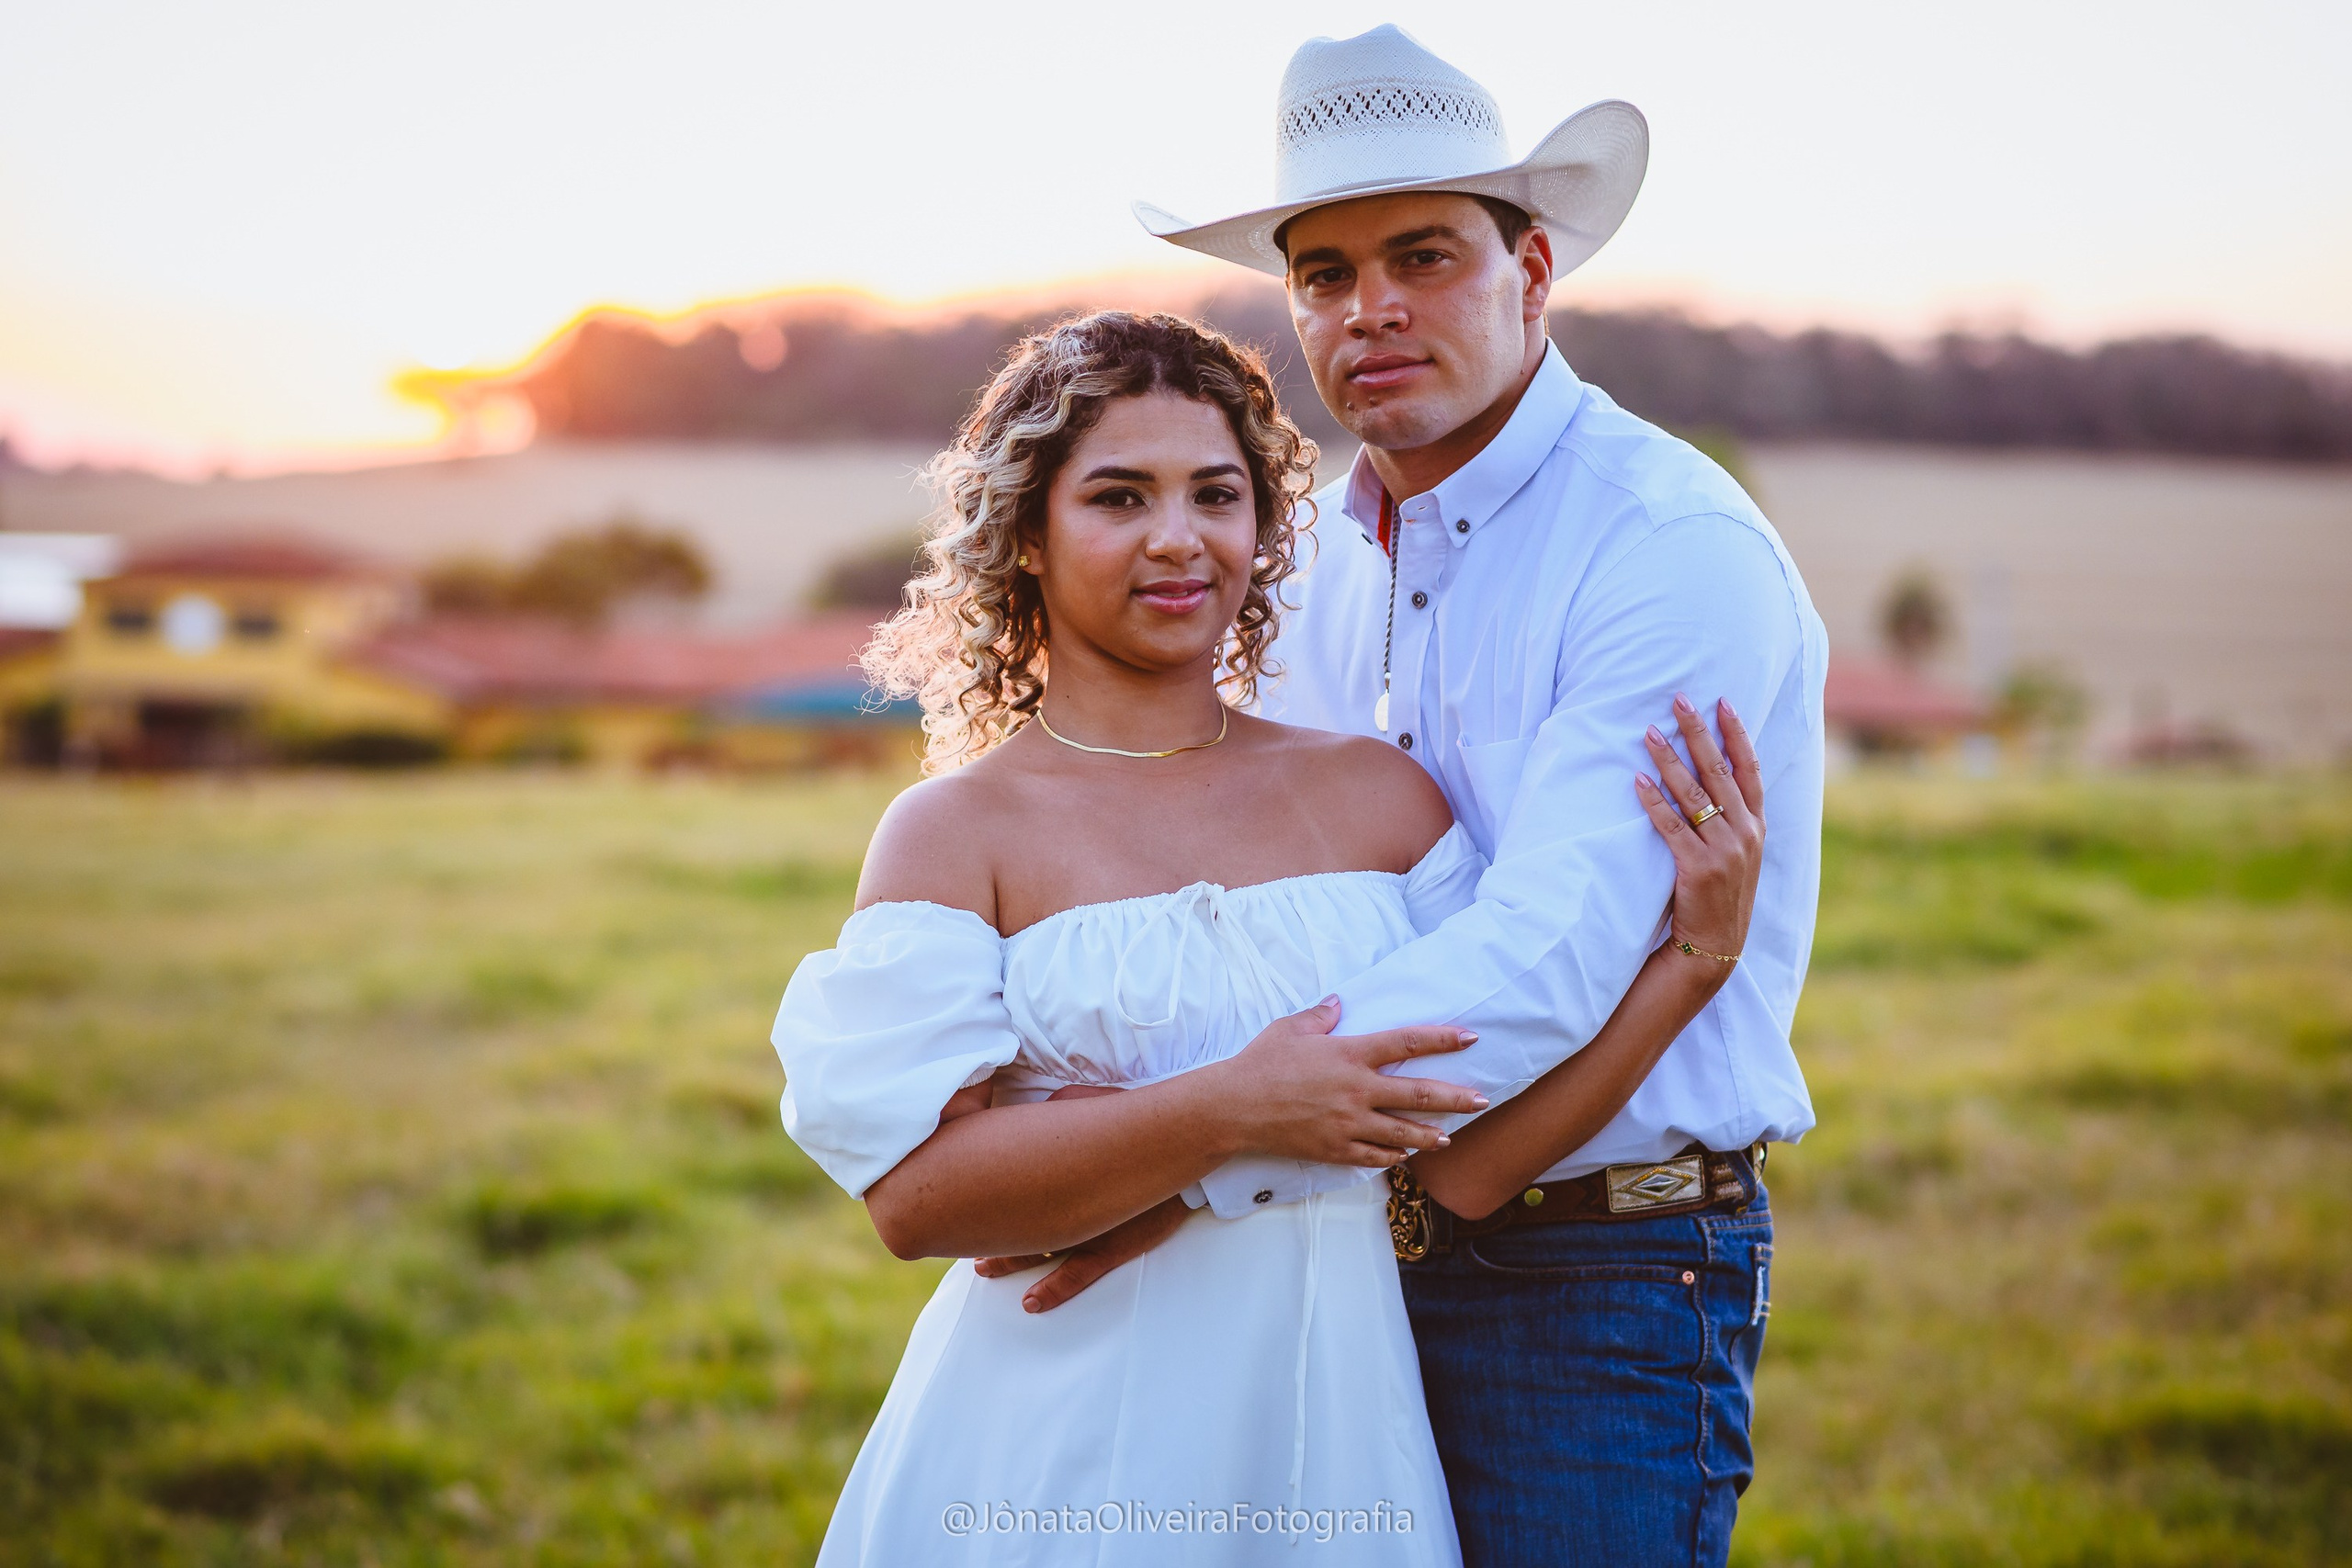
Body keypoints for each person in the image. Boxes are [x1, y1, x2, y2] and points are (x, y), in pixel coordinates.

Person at [771, 310, 1770, 1565]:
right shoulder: (953, 832)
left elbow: (1464, 1172)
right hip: (1056, 1447)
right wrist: (1233, 1108)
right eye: (1119, 498)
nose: (1179, 539)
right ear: (1026, 536)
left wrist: (1691, 969)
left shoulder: (1378, 800)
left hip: (1335, 1443)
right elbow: (917, 1203)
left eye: (1217, 495)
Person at [1098, 24, 1828, 1566]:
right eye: (1324, 273)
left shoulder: (1665, 548)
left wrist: (1187, 1142)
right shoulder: (1307, 569)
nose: (1370, 310)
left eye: (1422, 256)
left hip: (1598, 1269)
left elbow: (1551, 957)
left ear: (1535, 270)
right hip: (1325, 1254)